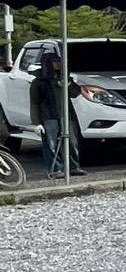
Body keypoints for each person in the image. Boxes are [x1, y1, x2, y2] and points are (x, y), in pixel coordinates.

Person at [31, 50, 84, 178]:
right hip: (48, 116)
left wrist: (68, 84)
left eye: (59, 61)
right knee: (51, 145)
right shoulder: (39, 82)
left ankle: (73, 167)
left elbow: (75, 93)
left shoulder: (64, 78)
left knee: (71, 143)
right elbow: (34, 102)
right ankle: (55, 169)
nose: (58, 64)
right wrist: (36, 123)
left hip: (66, 115)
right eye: (55, 62)